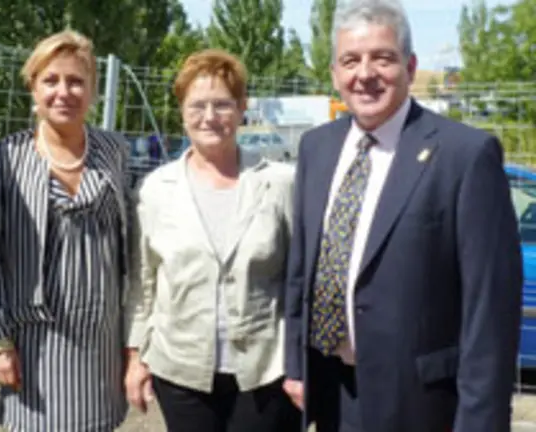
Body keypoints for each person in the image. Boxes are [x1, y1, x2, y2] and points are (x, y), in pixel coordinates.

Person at [282, 1, 523, 431]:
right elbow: (303, 265)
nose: (365, 74)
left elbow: (489, 309)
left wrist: (481, 421)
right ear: (335, 73)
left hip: (421, 404)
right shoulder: (316, 148)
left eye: (383, 58)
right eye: (350, 60)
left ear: (410, 67)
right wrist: (295, 363)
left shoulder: (465, 156)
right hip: (331, 393)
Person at [124, 48, 301, 432]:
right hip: (182, 368)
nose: (209, 117)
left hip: (264, 369)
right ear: (182, 112)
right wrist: (136, 357)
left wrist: (301, 360)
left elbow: (299, 277)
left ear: (241, 109)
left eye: (222, 105)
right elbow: (144, 282)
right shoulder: (156, 190)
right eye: (197, 105)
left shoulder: (279, 182)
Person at [0, 29, 130, 432]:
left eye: (76, 81)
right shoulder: (7, 157)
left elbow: (129, 246)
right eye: (51, 80)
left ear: (93, 89)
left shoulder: (115, 151)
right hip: (35, 343)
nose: (64, 91)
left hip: (102, 340)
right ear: (33, 89)